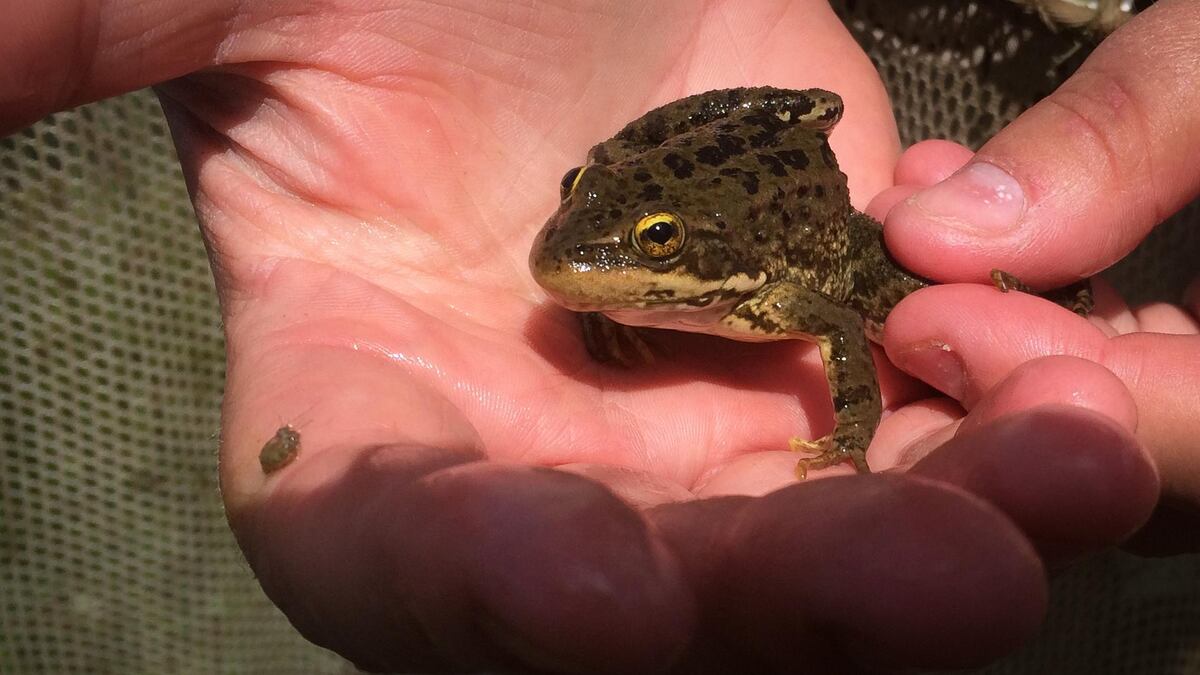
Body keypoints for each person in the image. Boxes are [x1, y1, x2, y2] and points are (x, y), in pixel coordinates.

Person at [2, 0, 1194, 671]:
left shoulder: (772, 290)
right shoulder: (603, 265)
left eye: (657, 245)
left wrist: (845, 437)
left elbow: (836, 330)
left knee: (926, 328)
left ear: (703, 261)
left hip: (829, 223)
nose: (582, 263)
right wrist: (619, 297)